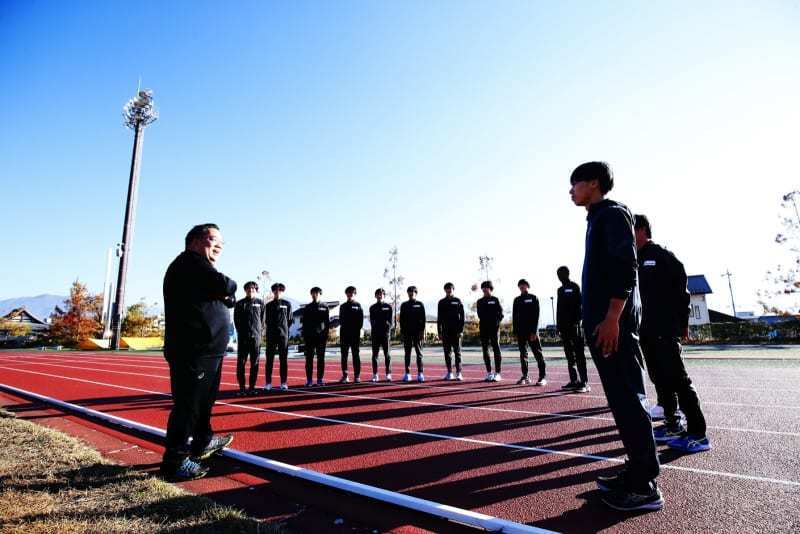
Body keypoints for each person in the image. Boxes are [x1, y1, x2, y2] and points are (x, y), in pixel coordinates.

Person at [570, 161, 662, 511]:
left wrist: (612, 317)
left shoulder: (613, 214)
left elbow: (626, 266)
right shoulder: (597, 218)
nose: (571, 191)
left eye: (575, 183)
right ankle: (636, 469)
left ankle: (644, 485)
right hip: (602, 324)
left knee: (628, 399)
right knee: (620, 402)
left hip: (614, 326)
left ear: (593, 183)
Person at [161, 223, 235, 481]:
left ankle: (202, 442)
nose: (219, 246)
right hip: (192, 351)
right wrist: (228, 288)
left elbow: (224, 294)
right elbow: (225, 285)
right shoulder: (190, 263)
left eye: (222, 242)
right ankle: (175, 461)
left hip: (208, 351)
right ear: (194, 241)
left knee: (204, 402)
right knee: (188, 405)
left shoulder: (198, 268)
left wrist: (225, 293)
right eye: (214, 239)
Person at [634, 214, 710, 454]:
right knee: (659, 378)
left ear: (643, 230)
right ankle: (672, 423)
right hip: (645, 332)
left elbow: (682, 293)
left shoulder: (664, 257)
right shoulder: (634, 260)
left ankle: (698, 433)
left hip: (665, 329)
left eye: (631, 229)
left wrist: (683, 323)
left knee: (678, 379)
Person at [556, 266, 590, 392]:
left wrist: (578, 322)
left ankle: (584, 382)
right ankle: (574, 380)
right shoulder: (560, 290)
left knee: (579, 355)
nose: (560, 276)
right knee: (569, 356)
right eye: (558, 274)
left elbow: (581, 306)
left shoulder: (575, 287)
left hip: (575, 327)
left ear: (567, 274)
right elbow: (559, 309)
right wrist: (558, 326)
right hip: (564, 328)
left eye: (562, 274)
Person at [512, 279, 547, 386]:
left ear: (528, 286)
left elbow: (537, 316)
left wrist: (534, 331)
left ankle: (542, 377)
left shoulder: (533, 298)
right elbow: (514, 317)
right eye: (520, 285)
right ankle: (525, 376)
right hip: (521, 332)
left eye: (524, 285)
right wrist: (515, 332)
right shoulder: (517, 300)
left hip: (532, 332)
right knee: (523, 355)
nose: (522, 287)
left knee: (538, 353)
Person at [233, 281, 265, 396]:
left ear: (256, 290)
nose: (251, 290)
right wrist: (242, 332)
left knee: (254, 363)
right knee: (241, 363)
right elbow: (236, 320)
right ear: (245, 290)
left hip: (256, 338)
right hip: (243, 338)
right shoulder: (240, 303)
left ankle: (252, 388)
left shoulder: (260, 303)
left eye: (253, 288)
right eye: (248, 288)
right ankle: (242, 388)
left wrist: (258, 332)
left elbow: (262, 320)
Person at [264, 283, 293, 391]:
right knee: (269, 360)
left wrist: (283, 329)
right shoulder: (268, 305)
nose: (277, 292)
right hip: (271, 335)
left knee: (283, 360)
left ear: (282, 292)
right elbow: (265, 320)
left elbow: (290, 320)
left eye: (279, 290)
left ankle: (283, 382)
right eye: (275, 291)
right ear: (273, 292)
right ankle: (268, 383)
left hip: (283, 336)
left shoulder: (287, 304)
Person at [476, 281, 504, 382]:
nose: (484, 289)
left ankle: (497, 373)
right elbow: (480, 315)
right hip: (484, 329)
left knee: (496, 349)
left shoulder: (495, 300)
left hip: (494, 329)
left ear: (490, 288)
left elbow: (501, 314)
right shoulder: (479, 301)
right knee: (485, 350)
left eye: (486, 287)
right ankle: (489, 373)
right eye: (483, 288)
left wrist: (496, 323)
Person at [437, 282, 465, 380]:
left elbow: (462, 317)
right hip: (445, 331)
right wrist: (439, 332)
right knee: (447, 353)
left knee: (457, 352)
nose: (449, 290)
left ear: (453, 290)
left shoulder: (457, 301)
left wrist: (461, 330)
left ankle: (459, 373)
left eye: (450, 289)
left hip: (456, 331)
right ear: (445, 290)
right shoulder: (441, 302)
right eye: (447, 289)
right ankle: (449, 372)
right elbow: (439, 318)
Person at [303, 287, 330, 386]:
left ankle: (319, 379)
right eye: (313, 293)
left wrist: (325, 335)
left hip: (321, 338)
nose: (315, 295)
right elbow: (304, 323)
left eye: (317, 293)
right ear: (311, 295)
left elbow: (327, 323)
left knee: (321, 359)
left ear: (320, 294)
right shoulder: (307, 307)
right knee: (309, 359)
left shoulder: (325, 307)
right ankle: (309, 380)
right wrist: (305, 336)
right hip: (310, 338)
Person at [399, 286, 426, 382]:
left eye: (413, 292)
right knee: (407, 354)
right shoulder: (404, 305)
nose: (411, 294)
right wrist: (402, 332)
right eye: (409, 292)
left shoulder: (420, 304)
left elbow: (423, 320)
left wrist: (422, 332)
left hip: (417, 333)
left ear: (416, 293)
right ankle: (407, 373)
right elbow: (401, 320)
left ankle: (420, 373)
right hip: (407, 333)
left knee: (419, 354)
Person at [339, 286, 364, 383]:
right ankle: (345, 376)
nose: (350, 295)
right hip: (344, 334)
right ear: (346, 294)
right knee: (344, 356)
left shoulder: (358, 305)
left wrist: (356, 330)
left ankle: (357, 376)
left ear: (355, 294)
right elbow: (341, 320)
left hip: (355, 335)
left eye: (352, 293)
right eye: (348, 293)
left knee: (355, 355)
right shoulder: (343, 306)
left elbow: (360, 321)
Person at [369, 288, 393, 381]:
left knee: (387, 355)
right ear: (375, 296)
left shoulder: (388, 307)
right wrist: (375, 328)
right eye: (378, 294)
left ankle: (388, 374)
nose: (380, 296)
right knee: (375, 355)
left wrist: (387, 330)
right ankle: (375, 374)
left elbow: (390, 322)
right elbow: (372, 321)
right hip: (375, 335)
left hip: (385, 335)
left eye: (382, 294)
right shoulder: (372, 307)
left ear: (384, 296)